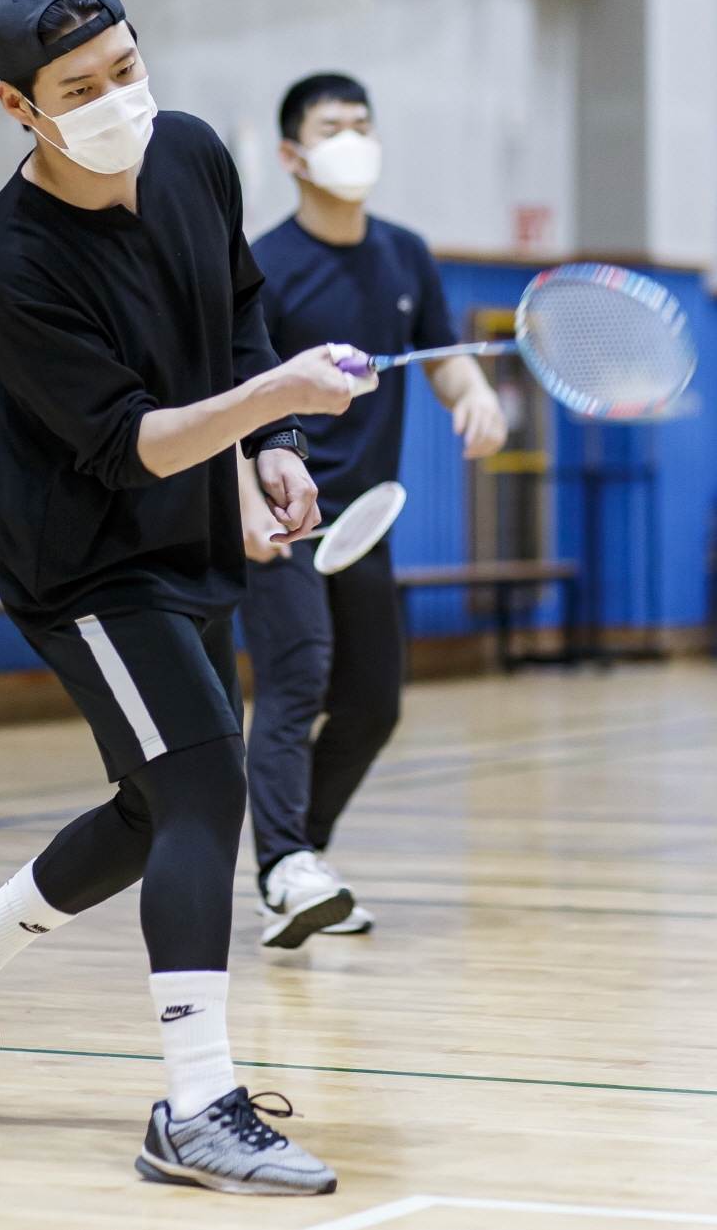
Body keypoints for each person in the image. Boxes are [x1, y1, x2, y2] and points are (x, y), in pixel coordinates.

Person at [0, 0, 377, 1197]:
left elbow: (243, 311)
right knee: (207, 783)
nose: (115, 99)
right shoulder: (9, 262)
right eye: (79, 87)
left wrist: (275, 448)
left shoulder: (197, 156)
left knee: (158, 811)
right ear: (19, 105)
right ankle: (197, 1104)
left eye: (126, 68)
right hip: (86, 564)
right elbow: (129, 440)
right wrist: (266, 401)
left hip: (190, 540)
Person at [238, 72, 507, 949]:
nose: (352, 138)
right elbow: (232, 394)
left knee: (373, 701)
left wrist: (475, 397)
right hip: (280, 508)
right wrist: (249, 497)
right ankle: (282, 866)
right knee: (298, 676)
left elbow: (443, 356)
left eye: (363, 123)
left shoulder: (404, 254)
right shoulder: (264, 266)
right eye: (332, 125)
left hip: (364, 521)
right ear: (291, 152)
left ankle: (300, 864)